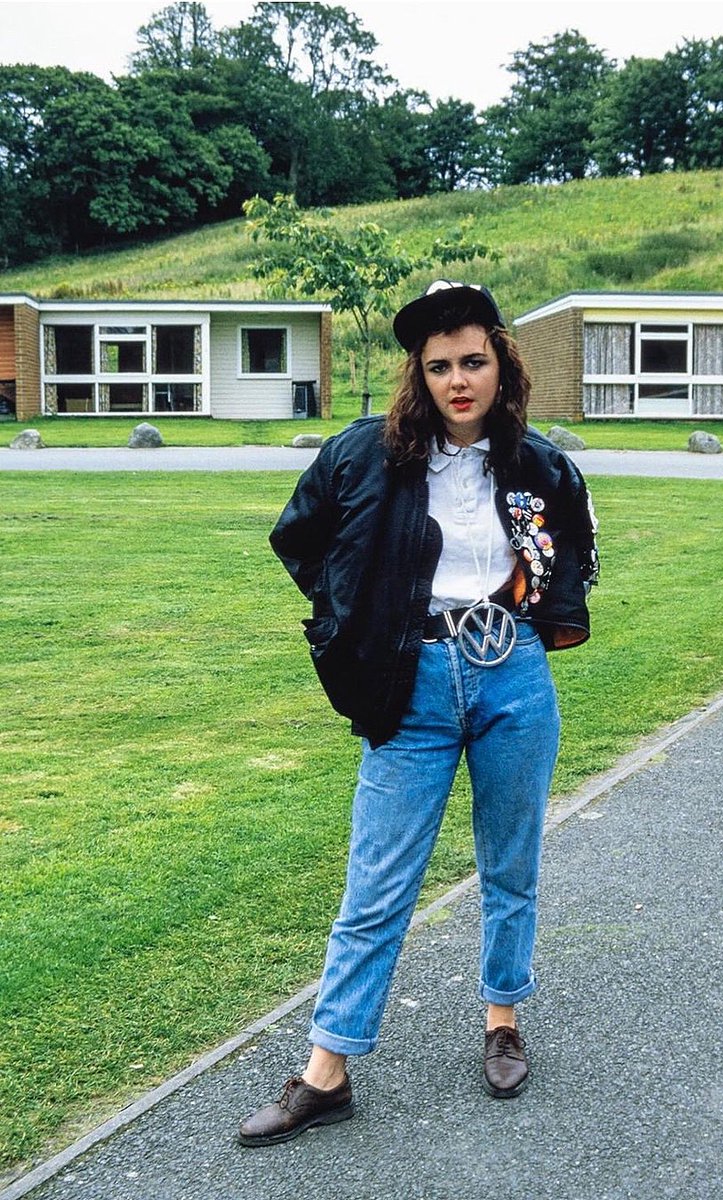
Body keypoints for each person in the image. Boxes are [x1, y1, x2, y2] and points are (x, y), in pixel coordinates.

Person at [238, 281, 599, 1147]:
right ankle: (326, 1074)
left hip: (511, 672)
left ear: (499, 363)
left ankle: (502, 1020)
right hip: (416, 681)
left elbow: (575, 544)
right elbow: (301, 537)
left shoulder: (538, 462)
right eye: (438, 366)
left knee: (511, 863)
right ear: (420, 374)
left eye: (472, 360)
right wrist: (350, 622)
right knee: (378, 883)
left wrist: (544, 617)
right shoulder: (370, 454)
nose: (457, 379)